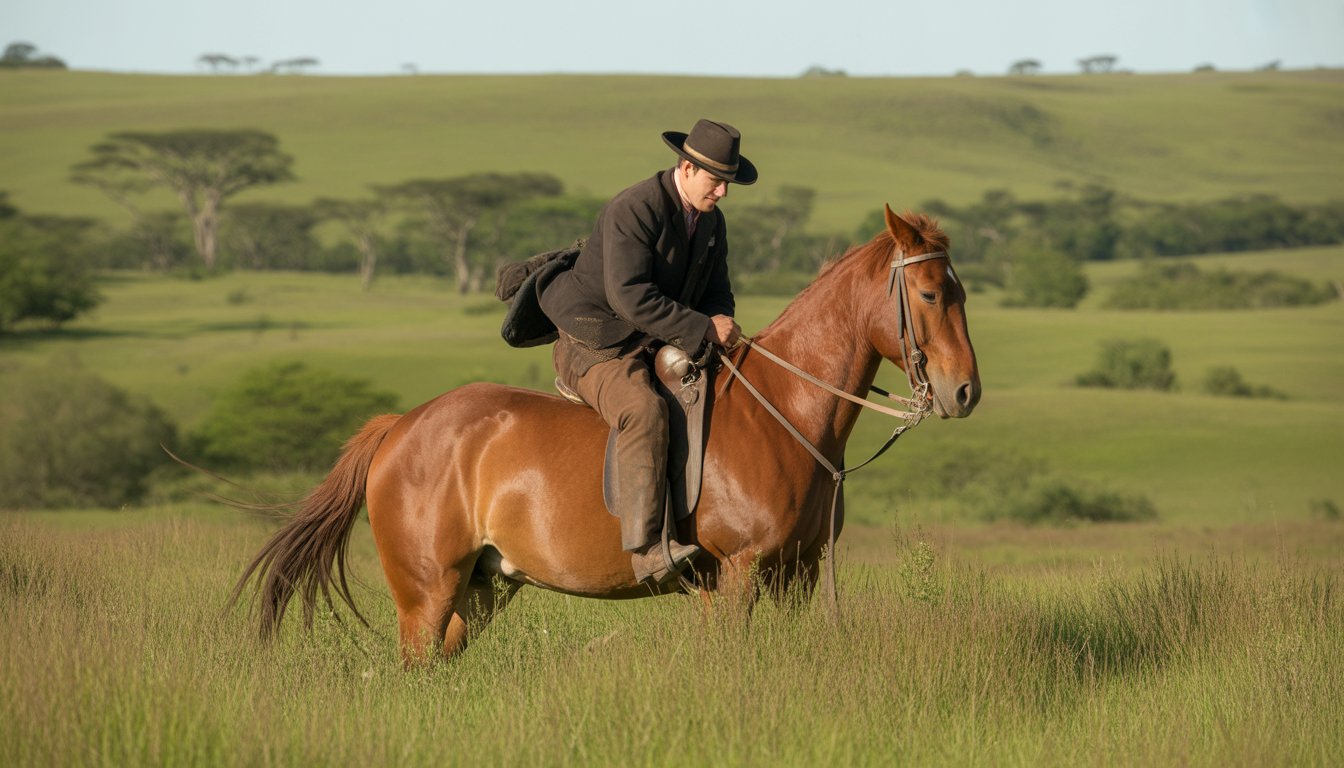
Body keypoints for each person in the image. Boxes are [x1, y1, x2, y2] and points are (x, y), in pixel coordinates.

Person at [538, 118, 757, 586]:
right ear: (686, 168)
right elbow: (629, 297)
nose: (723, 193)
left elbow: (718, 292)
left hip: (656, 338)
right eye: (716, 181)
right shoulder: (633, 209)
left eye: (728, 183)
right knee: (643, 411)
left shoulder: (712, 222)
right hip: (596, 340)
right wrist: (703, 327)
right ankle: (646, 550)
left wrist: (721, 322)